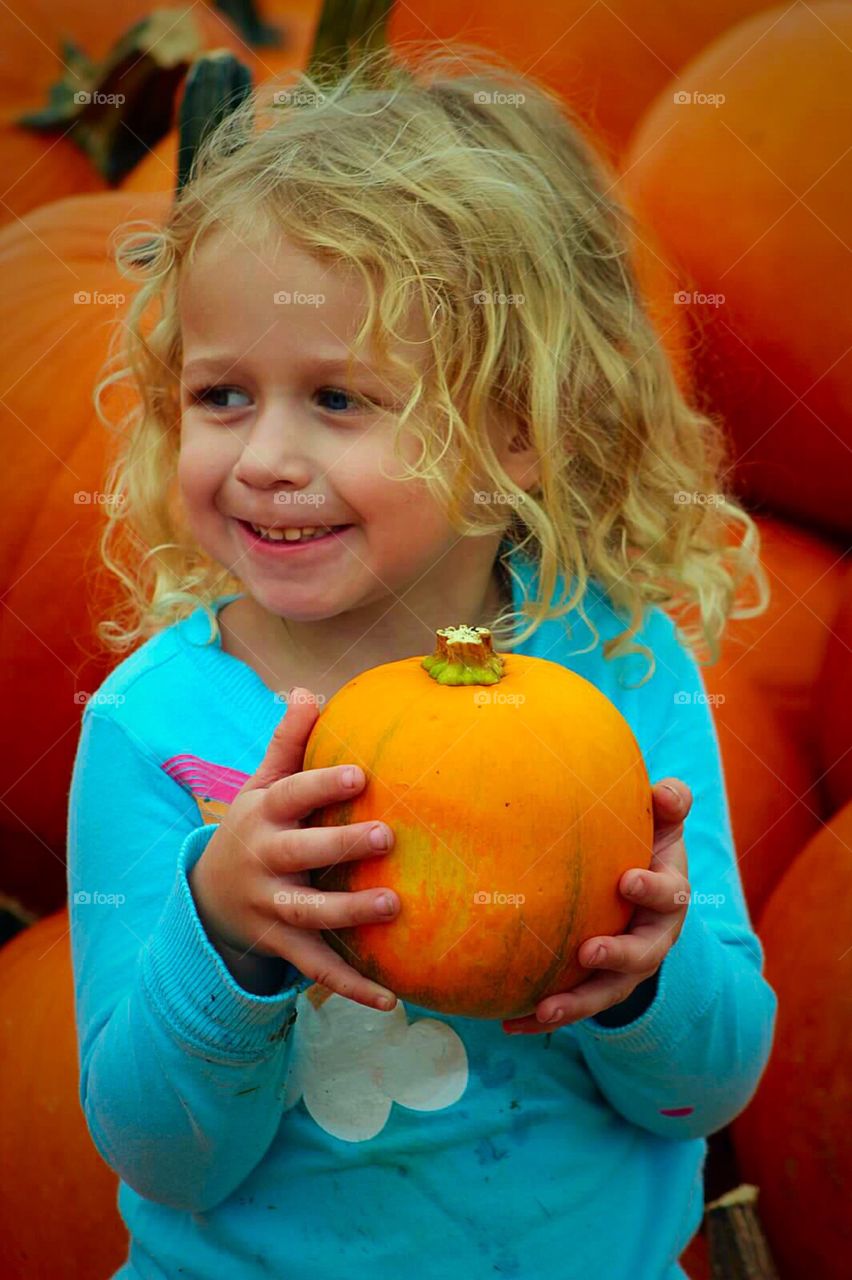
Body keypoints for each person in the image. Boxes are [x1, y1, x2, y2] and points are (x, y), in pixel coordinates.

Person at [67, 44, 777, 1280]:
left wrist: (644, 982)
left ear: (514, 429)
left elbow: (705, 1096)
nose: (265, 457)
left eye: (339, 399)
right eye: (223, 396)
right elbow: (164, 1155)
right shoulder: (157, 724)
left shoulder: (615, 667)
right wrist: (222, 936)